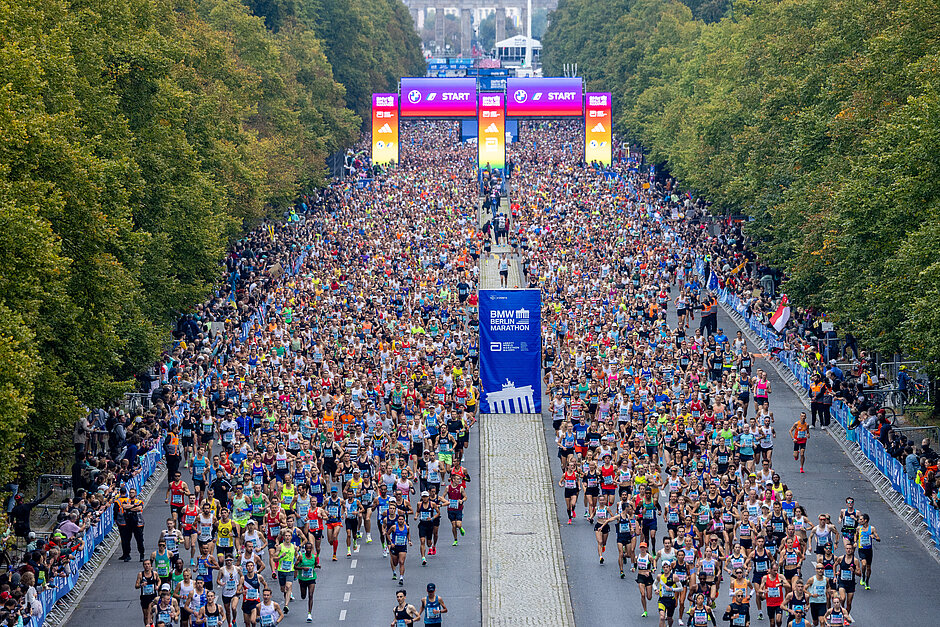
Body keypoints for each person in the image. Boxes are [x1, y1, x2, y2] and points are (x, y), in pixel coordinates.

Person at [118, 487, 146, 562]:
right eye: (130, 492)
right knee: (127, 540)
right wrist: (133, 507)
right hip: (128, 523)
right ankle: (127, 555)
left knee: (139, 540)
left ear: (136, 493)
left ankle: (141, 554)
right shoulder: (126, 500)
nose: (131, 494)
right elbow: (124, 506)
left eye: (133, 492)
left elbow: (139, 508)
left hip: (138, 523)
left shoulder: (139, 501)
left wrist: (129, 508)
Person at [295, 542, 317, 622]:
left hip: (311, 578)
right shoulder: (301, 557)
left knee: (311, 595)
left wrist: (317, 566)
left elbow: (315, 565)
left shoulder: (314, 557)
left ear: (311, 549)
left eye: (309, 548)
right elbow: (295, 566)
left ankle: (309, 614)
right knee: (303, 596)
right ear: (305, 549)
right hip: (302, 579)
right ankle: (303, 592)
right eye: (307, 548)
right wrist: (303, 568)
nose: (308, 550)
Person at [136, 559, 160, 626]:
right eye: (145, 564)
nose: (147, 566)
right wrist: (141, 585)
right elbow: (136, 585)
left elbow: (159, 580)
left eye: (148, 564)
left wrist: (158, 586)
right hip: (144, 597)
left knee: (151, 614)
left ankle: (151, 625)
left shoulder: (154, 573)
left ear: (151, 565)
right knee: (146, 615)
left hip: (152, 596)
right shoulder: (140, 574)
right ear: (143, 566)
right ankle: (147, 625)